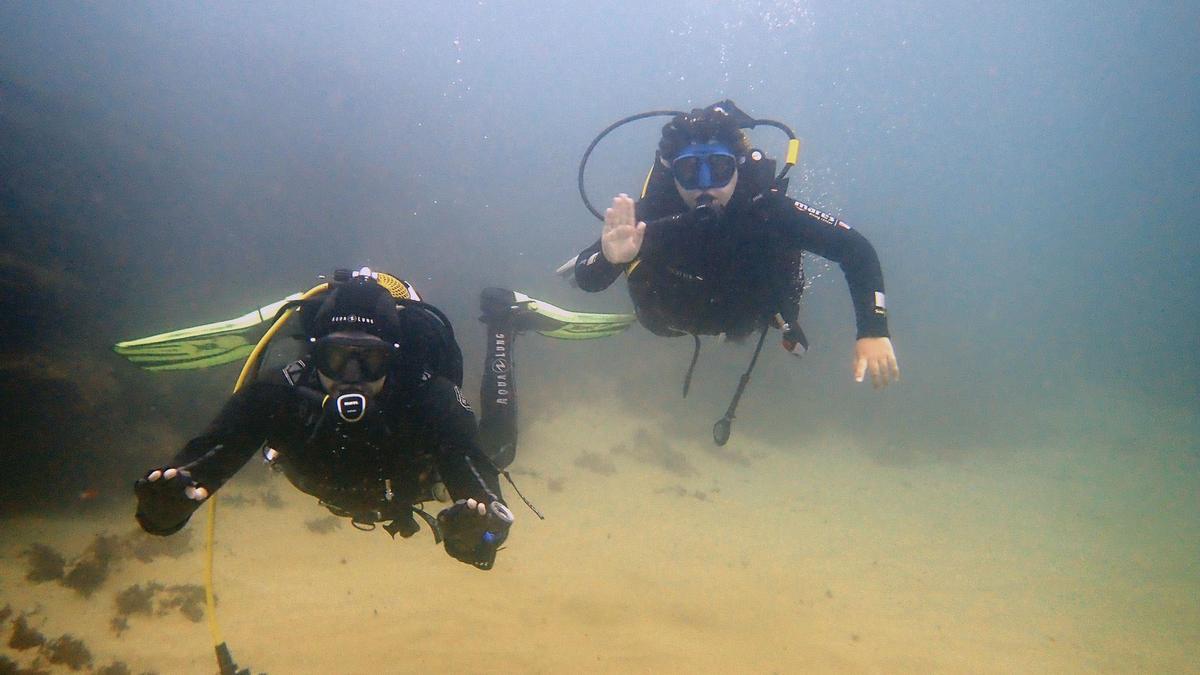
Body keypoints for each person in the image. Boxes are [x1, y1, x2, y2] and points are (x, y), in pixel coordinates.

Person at [134, 269, 523, 570]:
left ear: (393, 358)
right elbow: (204, 462)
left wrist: (474, 540)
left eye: (370, 360)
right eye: (336, 358)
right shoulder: (279, 394)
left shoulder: (431, 399)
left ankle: (501, 325)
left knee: (499, 450)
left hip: (417, 482)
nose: (350, 376)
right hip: (380, 484)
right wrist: (163, 512)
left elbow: (487, 510)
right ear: (313, 356)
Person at [571, 101, 899, 438]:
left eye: (718, 168)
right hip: (665, 320)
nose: (704, 185)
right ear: (672, 173)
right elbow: (585, 277)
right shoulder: (648, 216)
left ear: (739, 167)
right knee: (629, 266)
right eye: (689, 171)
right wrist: (610, 260)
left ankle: (782, 320)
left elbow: (857, 250)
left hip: (748, 316)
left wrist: (873, 329)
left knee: (781, 277)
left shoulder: (768, 210)